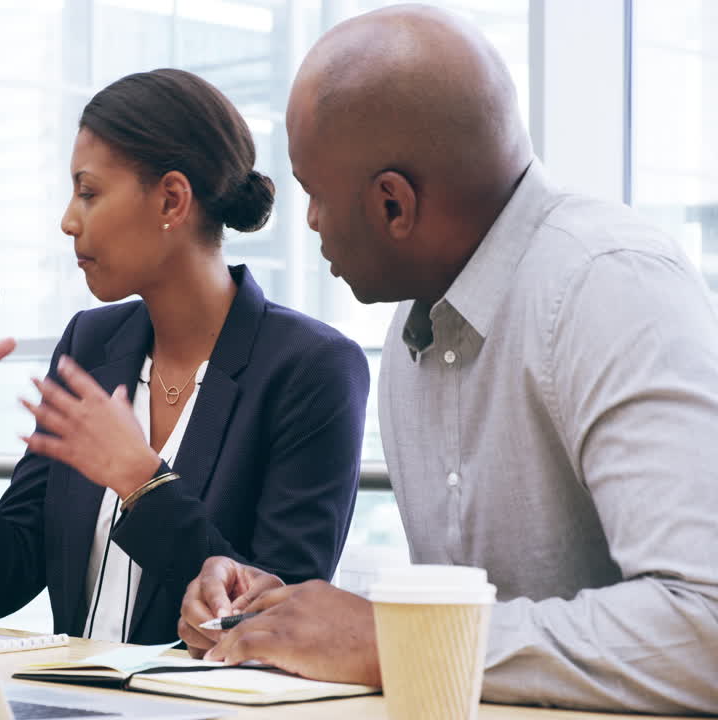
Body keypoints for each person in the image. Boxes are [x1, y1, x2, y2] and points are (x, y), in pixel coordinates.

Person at [178, 5, 718, 714]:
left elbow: (703, 629)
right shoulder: (416, 333)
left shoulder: (609, 285)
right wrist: (284, 616)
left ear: (393, 206)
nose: (309, 222)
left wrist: (395, 639)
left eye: (314, 195)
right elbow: (492, 621)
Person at [0, 68, 370, 645]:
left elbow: (277, 620)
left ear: (171, 199)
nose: (68, 220)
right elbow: (5, 578)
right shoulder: (90, 344)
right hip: (63, 694)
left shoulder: (312, 369)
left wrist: (141, 483)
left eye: (88, 192)